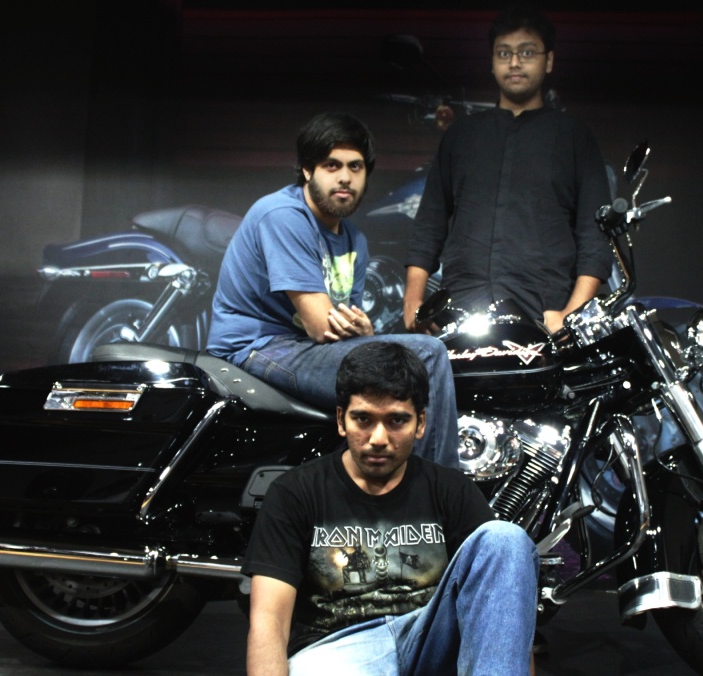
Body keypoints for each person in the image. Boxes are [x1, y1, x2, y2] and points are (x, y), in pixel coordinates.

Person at [243, 342, 539, 675]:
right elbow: (269, 621)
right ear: (341, 420)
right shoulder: (295, 492)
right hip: (340, 650)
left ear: (420, 423)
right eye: (363, 419)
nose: (379, 438)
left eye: (397, 420)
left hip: (428, 639)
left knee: (506, 539)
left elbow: (505, 616)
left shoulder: (453, 490)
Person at [205, 112, 458, 468]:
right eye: (331, 165)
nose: (345, 177)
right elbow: (322, 326)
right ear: (307, 170)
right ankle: (441, 490)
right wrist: (360, 334)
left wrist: (363, 334)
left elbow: (349, 327)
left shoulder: (354, 240)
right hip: (257, 346)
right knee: (426, 354)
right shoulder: (282, 215)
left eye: (355, 167)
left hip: (303, 349)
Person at [404, 6, 612, 335]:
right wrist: (413, 300)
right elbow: (429, 224)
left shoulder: (574, 137)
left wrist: (571, 316)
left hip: (544, 311)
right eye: (504, 53)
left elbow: (595, 236)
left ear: (549, 61)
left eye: (527, 52)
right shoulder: (461, 136)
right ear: (492, 62)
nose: (514, 62)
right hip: (461, 306)